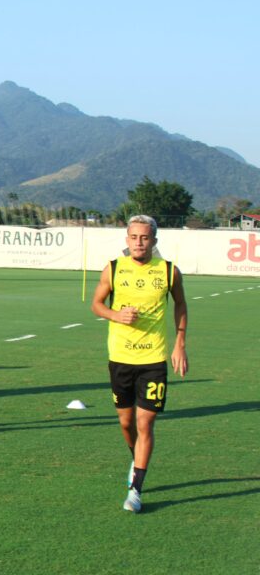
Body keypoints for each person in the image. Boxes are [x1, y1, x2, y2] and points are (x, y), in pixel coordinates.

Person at [91, 214, 188, 513]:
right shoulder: (114, 268)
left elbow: (181, 304)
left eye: (145, 238)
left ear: (154, 241)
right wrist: (115, 315)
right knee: (126, 422)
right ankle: (136, 458)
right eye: (134, 237)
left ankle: (136, 490)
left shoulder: (169, 271)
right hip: (120, 358)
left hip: (153, 359)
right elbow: (96, 304)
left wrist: (180, 343)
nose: (139, 242)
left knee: (146, 422)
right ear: (127, 239)